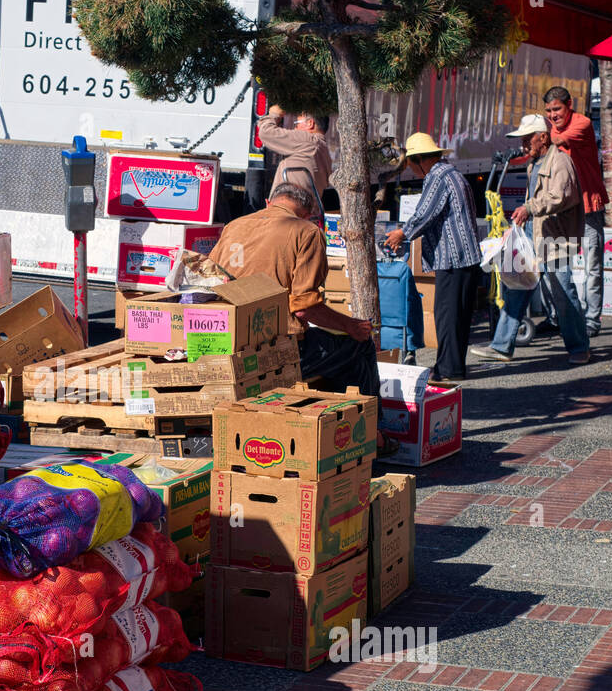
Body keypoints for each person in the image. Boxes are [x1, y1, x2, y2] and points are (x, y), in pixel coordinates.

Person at [208, 183, 396, 456]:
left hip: (228, 341)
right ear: (307, 213)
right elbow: (304, 308)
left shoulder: (234, 225)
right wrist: (352, 327)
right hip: (278, 350)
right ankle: (372, 435)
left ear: (267, 202)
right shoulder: (307, 232)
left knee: (336, 347)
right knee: (359, 344)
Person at [470, 114, 591, 366]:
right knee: (517, 287)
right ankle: (502, 346)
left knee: (563, 293)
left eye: (528, 139)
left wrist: (529, 208)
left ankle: (579, 346)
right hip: (534, 236)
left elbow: (560, 197)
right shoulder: (535, 162)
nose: (524, 144)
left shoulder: (560, 162)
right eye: (523, 139)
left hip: (555, 239)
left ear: (543, 138)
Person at [383, 132, 483, 382]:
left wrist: (401, 233)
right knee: (458, 315)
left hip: (453, 257)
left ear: (419, 160)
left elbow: (425, 213)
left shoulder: (437, 177)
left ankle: (447, 370)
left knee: (447, 316)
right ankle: (453, 367)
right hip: (465, 256)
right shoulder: (452, 173)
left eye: (411, 163)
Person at [544, 85, 608, 337]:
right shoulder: (552, 126)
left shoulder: (581, 123)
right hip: (565, 207)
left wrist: (537, 134)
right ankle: (563, 317)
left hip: (588, 205)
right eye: (548, 111)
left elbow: (557, 140)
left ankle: (592, 320)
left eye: (557, 109)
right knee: (558, 264)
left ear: (569, 104)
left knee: (592, 267)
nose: (553, 115)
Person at [257, 105, 332, 223]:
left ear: (310, 124)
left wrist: (273, 115)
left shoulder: (307, 140)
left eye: (296, 123)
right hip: (306, 217)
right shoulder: (323, 148)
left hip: (287, 215)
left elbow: (266, 133)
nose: (295, 128)